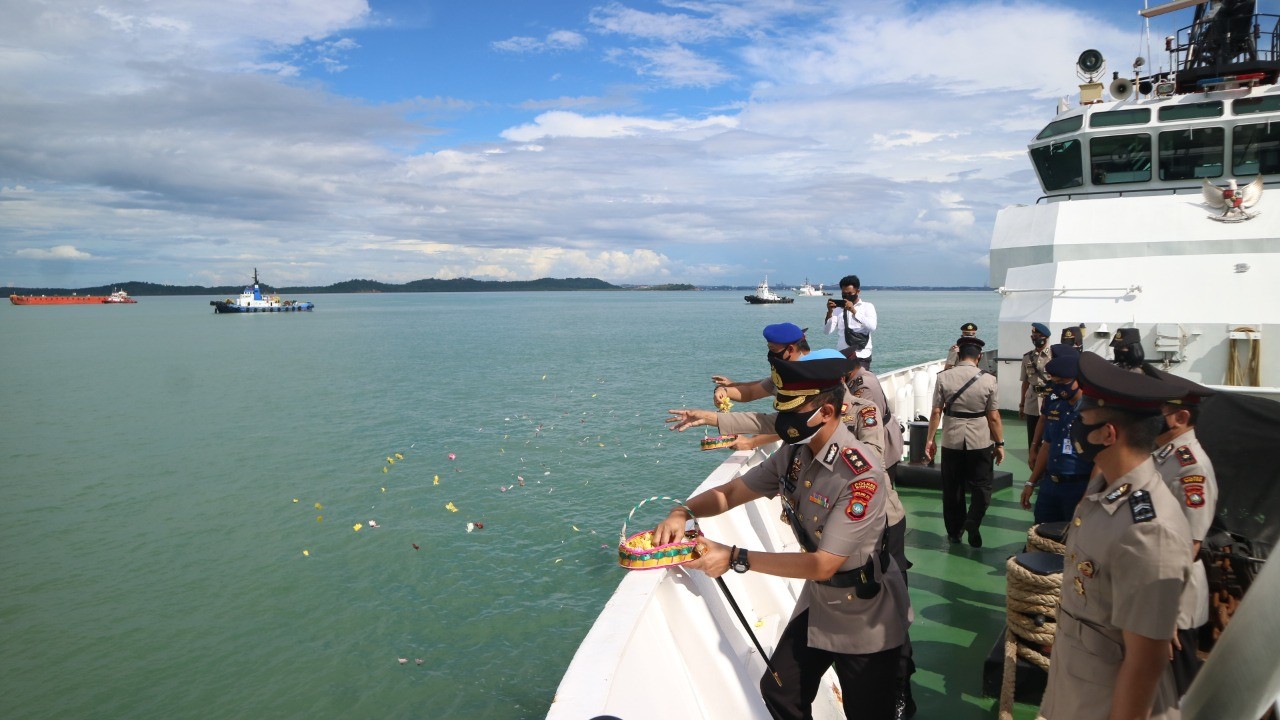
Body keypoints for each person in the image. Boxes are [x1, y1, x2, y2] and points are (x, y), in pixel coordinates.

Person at [654, 352, 911, 720]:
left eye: (793, 410)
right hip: (820, 603)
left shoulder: (860, 475)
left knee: (867, 712)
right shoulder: (793, 454)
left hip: (863, 611)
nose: (783, 420)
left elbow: (823, 564)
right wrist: (684, 510)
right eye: (782, 408)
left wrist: (734, 557)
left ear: (826, 411)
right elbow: (731, 492)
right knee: (779, 689)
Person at [1037, 352, 1192, 720]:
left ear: (1108, 433)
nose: (1075, 428)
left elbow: (1145, 662)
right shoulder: (1104, 495)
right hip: (1075, 694)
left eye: (1083, 420)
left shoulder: (1147, 531)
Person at [1145, 366, 1217, 696]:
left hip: (1175, 598)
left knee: (1177, 689)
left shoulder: (1191, 467)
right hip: (1152, 588)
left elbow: (1190, 543)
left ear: (1180, 417)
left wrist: (1167, 609)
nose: (1151, 415)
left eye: (1159, 409)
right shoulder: (1162, 454)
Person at [924, 336, 1003, 547]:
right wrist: (1000, 444)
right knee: (982, 485)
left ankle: (954, 532)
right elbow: (993, 417)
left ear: (958, 356)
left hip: (952, 438)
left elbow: (936, 412)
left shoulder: (944, 377)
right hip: (979, 439)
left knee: (952, 487)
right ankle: (973, 520)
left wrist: (929, 441)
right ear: (979, 357)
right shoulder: (989, 379)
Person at [1020, 350, 1093, 523]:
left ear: (1078, 380)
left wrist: (1089, 495)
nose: (1059, 387)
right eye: (1055, 382)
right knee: (1041, 533)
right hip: (1049, 485)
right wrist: (1031, 482)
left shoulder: (1093, 411)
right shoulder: (1055, 403)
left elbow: (1102, 458)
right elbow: (1048, 443)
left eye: (1063, 382)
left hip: (1078, 486)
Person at [824, 274, 877, 369]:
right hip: (842, 355)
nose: (846, 296)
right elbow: (827, 331)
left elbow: (872, 327)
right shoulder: (837, 309)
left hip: (861, 355)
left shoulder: (867, 306)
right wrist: (830, 312)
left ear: (858, 291)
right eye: (844, 294)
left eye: (850, 293)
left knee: (859, 382)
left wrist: (853, 311)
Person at [1019, 323, 1052, 452]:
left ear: (1045, 338)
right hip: (1032, 402)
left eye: (1038, 336)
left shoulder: (1053, 356)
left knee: (1048, 436)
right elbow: (1025, 382)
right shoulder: (1027, 357)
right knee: (1032, 437)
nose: (1035, 339)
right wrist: (1022, 404)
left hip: (1048, 399)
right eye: (1033, 336)